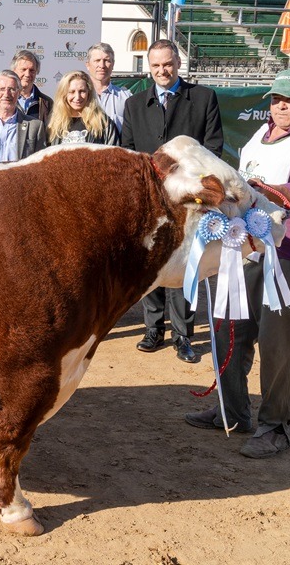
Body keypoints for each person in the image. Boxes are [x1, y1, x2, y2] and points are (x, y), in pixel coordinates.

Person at [186, 67, 290, 458]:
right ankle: (233, 410)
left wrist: (255, 190)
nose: (280, 106)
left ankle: (275, 426)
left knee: (278, 344)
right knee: (227, 329)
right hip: (246, 248)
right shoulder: (261, 135)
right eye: (275, 99)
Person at [121, 39, 223, 364]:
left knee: (185, 270)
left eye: (167, 64)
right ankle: (153, 330)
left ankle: (183, 337)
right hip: (149, 203)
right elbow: (130, 152)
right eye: (155, 66)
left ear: (178, 63)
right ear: (148, 68)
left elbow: (213, 149)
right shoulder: (135, 105)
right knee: (151, 266)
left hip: (188, 202)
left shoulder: (204, 98)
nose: (162, 71)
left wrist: (187, 186)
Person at [0, 71, 47, 165]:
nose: (6, 94)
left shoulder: (35, 126)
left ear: (18, 93)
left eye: (11, 89)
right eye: (1, 89)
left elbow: (40, 164)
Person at [0, 50, 52, 122]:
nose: (27, 74)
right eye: (23, 69)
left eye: (32, 70)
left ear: (37, 72)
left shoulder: (47, 103)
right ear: (13, 71)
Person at [47, 70, 120, 146]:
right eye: (72, 92)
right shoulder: (53, 124)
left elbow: (114, 153)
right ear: (63, 94)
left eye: (82, 91)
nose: (77, 97)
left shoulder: (103, 123)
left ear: (89, 93)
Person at [86, 42, 131, 134]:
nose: (102, 66)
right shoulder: (78, 98)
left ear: (113, 64)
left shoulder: (126, 98)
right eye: (97, 60)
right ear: (87, 65)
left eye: (107, 60)